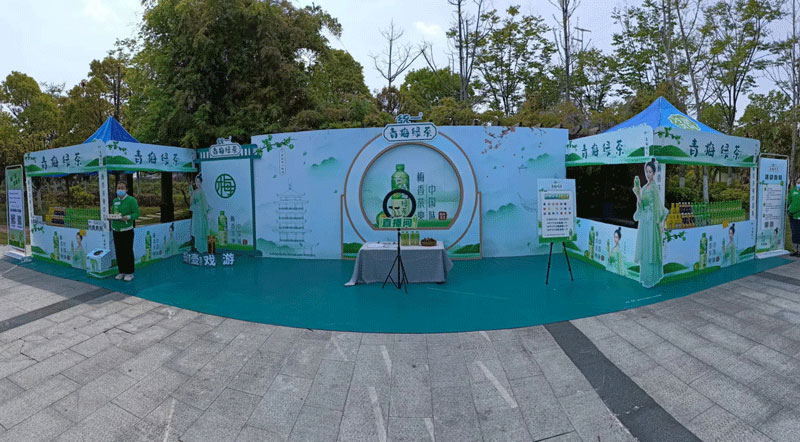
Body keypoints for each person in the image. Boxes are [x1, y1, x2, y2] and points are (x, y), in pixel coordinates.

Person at [633, 159, 668, 288]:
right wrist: (638, 193)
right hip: (644, 222)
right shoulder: (644, 187)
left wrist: (660, 222)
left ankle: (652, 277)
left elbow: (659, 206)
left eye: (650, 172)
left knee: (651, 248)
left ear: (654, 173)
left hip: (652, 222)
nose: (648, 174)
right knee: (645, 247)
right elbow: (641, 205)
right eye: (646, 171)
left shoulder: (654, 188)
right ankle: (646, 277)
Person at [111, 181, 139, 281]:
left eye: (122, 188)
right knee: (119, 251)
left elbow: (137, 213)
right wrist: (111, 217)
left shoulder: (131, 200)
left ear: (126, 190)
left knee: (127, 251)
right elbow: (114, 213)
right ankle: (121, 271)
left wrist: (128, 217)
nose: (120, 190)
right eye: (118, 188)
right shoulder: (115, 201)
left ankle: (129, 272)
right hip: (116, 230)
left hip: (127, 230)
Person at [190, 174, 211, 253]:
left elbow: (205, 204)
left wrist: (206, 214)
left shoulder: (202, 192)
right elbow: (191, 202)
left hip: (202, 213)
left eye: (199, 182)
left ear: (201, 183)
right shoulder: (194, 192)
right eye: (196, 182)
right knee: (197, 229)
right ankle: (199, 247)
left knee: (203, 229)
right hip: (196, 213)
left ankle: (205, 248)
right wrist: (191, 194)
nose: (197, 183)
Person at [790, 176, 800, 257]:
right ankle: (795, 249)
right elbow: (789, 201)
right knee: (794, 232)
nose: (799, 184)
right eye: (798, 182)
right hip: (792, 215)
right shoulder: (793, 191)